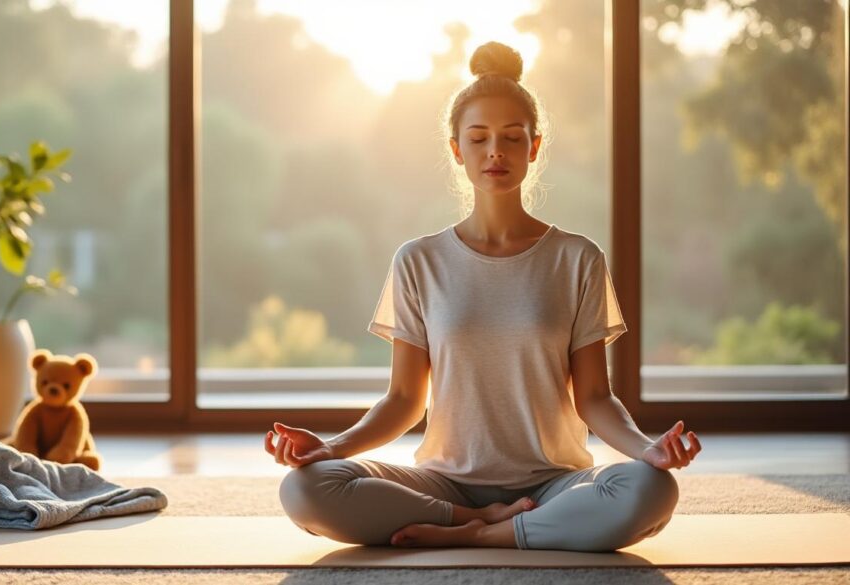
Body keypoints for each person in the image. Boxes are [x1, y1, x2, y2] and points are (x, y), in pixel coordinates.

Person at [263, 40, 701, 552]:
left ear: (534, 147)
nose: (496, 151)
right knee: (304, 489)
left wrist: (648, 450)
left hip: (554, 483)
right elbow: (404, 400)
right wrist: (331, 447)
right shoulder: (418, 261)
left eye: (512, 138)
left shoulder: (578, 258)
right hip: (444, 482)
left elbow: (594, 398)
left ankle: (485, 533)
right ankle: (475, 519)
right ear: (457, 150)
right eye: (479, 138)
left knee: (651, 489)